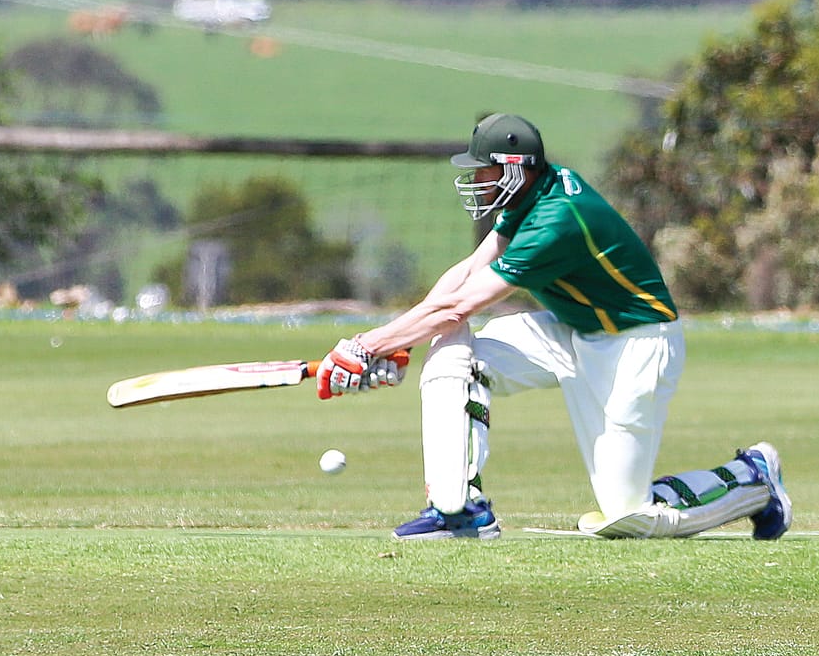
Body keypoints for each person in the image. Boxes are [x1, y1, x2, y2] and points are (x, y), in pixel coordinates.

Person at [315, 112, 791, 542]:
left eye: (484, 171)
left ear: (516, 168)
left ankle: (751, 478)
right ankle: (459, 510)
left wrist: (364, 346)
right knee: (455, 357)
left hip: (636, 343)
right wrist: (394, 342)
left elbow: (461, 306)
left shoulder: (556, 219)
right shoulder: (532, 192)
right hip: (571, 330)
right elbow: (466, 273)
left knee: (627, 515)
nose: (477, 180)